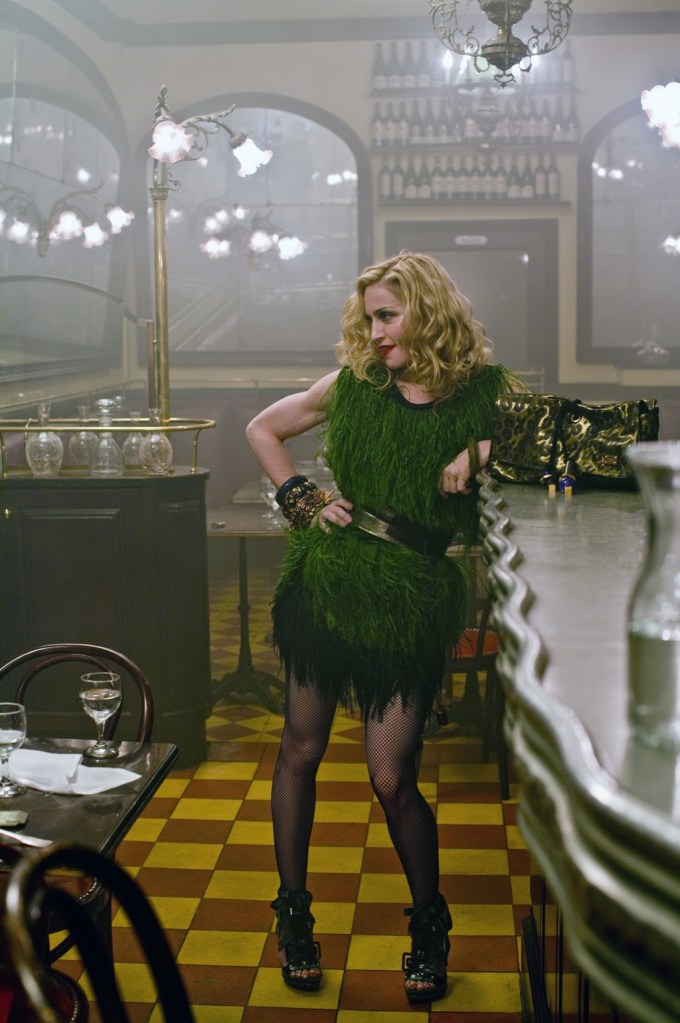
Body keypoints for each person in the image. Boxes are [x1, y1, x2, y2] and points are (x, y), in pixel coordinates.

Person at [246, 250, 520, 1004]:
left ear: (428, 311)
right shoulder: (355, 384)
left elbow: (565, 442)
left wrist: (482, 447)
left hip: (414, 596)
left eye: (388, 316)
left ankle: (429, 928)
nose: (376, 332)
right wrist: (304, 498)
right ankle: (294, 918)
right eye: (369, 318)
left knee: (392, 776)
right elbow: (263, 429)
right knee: (300, 750)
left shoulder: (485, 394)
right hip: (328, 584)